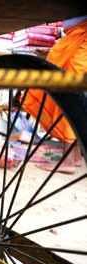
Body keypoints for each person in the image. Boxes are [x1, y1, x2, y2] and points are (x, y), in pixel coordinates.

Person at [23, 15, 87, 174]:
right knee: (73, 96)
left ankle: (68, 161)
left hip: (82, 38)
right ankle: (76, 156)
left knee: (70, 96)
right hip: (76, 36)